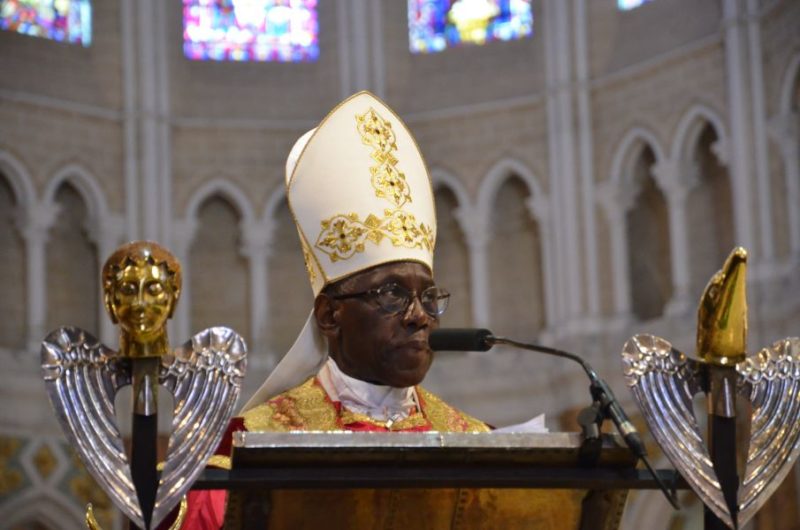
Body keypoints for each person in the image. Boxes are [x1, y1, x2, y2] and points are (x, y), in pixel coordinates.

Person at [168, 91, 581, 529]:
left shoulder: (476, 445)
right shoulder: (251, 452)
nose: (419, 315)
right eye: (392, 294)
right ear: (330, 316)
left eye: (428, 297)